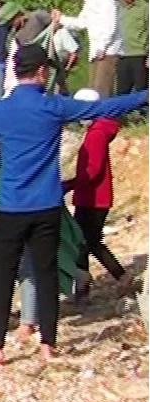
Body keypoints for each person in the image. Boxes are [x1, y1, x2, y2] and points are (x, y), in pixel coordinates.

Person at [0, 43, 147, 364]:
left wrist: (10, 159)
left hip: (11, 206)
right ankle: (47, 344)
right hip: (47, 206)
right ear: (41, 71)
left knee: (1, 272)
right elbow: (103, 109)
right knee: (45, 272)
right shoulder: (53, 107)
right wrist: (143, 95)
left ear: (15, 72)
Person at [64, 90, 131, 289]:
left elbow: (92, 171)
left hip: (92, 197)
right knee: (84, 243)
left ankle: (118, 277)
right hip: (94, 196)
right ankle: (84, 286)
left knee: (87, 242)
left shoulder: (96, 135)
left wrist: (69, 185)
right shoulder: (100, 131)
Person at [55, 0, 122, 97]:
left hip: (107, 50)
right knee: (93, 89)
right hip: (97, 51)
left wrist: (102, 46)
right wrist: (61, 19)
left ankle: (104, 116)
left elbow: (109, 23)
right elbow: (81, 23)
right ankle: (95, 115)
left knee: (102, 89)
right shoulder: (89, 0)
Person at [118, 0, 146, 96]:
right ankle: (122, 112)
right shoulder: (119, 10)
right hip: (122, 54)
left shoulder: (145, 9)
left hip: (139, 53)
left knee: (141, 87)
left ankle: (142, 112)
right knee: (122, 89)